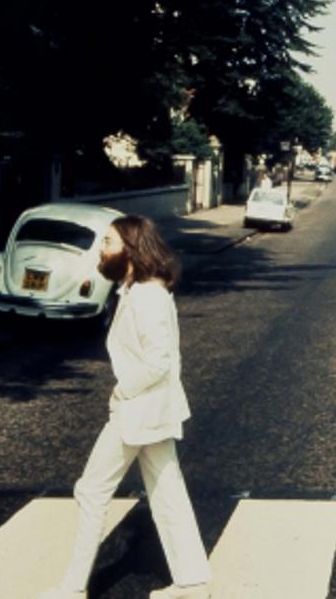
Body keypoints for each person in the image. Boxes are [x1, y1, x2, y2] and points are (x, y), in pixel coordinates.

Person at [39, 216, 209, 599]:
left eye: (109, 241)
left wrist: (123, 391)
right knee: (168, 492)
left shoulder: (147, 296)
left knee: (91, 490)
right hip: (152, 410)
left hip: (139, 410)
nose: (102, 248)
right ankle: (194, 581)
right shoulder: (134, 289)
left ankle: (73, 588)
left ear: (130, 249)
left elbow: (159, 360)